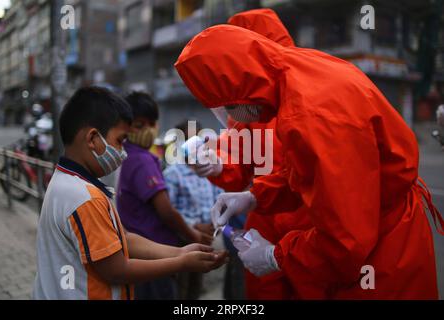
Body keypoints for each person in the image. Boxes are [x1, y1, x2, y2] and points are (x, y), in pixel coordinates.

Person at [174, 25, 444, 299]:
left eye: (230, 106)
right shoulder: (297, 76)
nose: (237, 117)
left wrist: (275, 256)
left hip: (383, 254)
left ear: (244, 83)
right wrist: (256, 196)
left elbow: (346, 240)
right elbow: (309, 173)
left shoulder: (312, 114)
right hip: (370, 235)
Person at [33, 86, 227, 300]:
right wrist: (181, 262)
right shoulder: (83, 198)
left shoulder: (69, 181)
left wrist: (181, 252)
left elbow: (123, 238)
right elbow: (117, 270)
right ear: (92, 139)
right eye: (119, 140)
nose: (122, 151)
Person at [190, 8, 312, 300]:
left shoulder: (304, 95)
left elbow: (325, 177)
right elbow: (238, 156)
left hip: (309, 217)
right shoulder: (249, 102)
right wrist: (218, 166)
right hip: (265, 214)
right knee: (263, 290)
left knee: (311, 284)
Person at [116, 92, 214, 300]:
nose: (149, 130)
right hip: (155, 251)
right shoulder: (143, 160)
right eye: (140, 125)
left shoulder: (128, 155)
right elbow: (166, 210)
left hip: (146, 250)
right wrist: (193, 235)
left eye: (152, 124)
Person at [163, 120, 223, 299]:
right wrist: (194, 227)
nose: (195, 143)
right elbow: (169, 209)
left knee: (196, 288)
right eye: (188, 139)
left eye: (198, 138)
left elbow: (219, 199)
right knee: (180, 287)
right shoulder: (173, 174)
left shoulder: (209, 171)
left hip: (206, 240)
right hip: (181, 242)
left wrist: (213, 224)